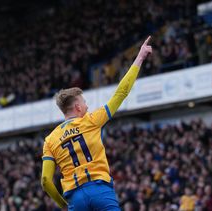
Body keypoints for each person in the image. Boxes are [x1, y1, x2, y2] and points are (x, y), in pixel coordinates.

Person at [40, 36, 153, 210]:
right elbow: (121, 93)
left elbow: (46, 180)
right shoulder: (91, 120)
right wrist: (140, 57)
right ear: (78, 107)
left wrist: (63, 205)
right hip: (101, 190)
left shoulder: (50, 140)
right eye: (84, 102)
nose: (87, 105)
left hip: (75, 199)